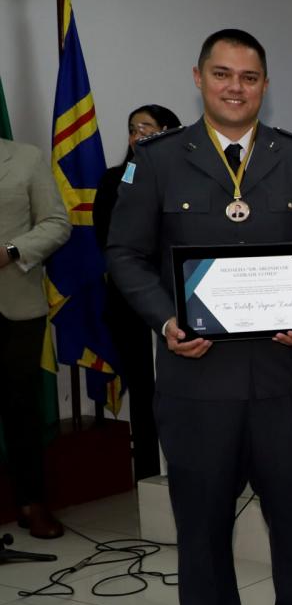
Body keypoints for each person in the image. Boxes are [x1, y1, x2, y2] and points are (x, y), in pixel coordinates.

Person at [106, 29, 292, 605]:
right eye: (222, 74)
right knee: (202, 521)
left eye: (248, 76)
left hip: (284, 376)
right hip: (197, 378)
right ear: (199, 78)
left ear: (264, 84)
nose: (235, 87)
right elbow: (124, 254)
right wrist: (165, 319)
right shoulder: (156, 161)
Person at [93, 103, 182, 482]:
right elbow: (109, 242)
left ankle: (187, 467)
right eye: (133, 129)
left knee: (180, 391)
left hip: (179, 299)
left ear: (169, 133)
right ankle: (147, 475)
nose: (137, 136)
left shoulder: (187, 177)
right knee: (144, 390)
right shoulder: (115, 180)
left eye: (146, 128)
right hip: (131, 301)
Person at [0, 135, 71, 537]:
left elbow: (57, 224)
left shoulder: (25, 158)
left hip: (15, 308)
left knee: (21, 410)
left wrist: (11, 250)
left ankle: (32, 502)